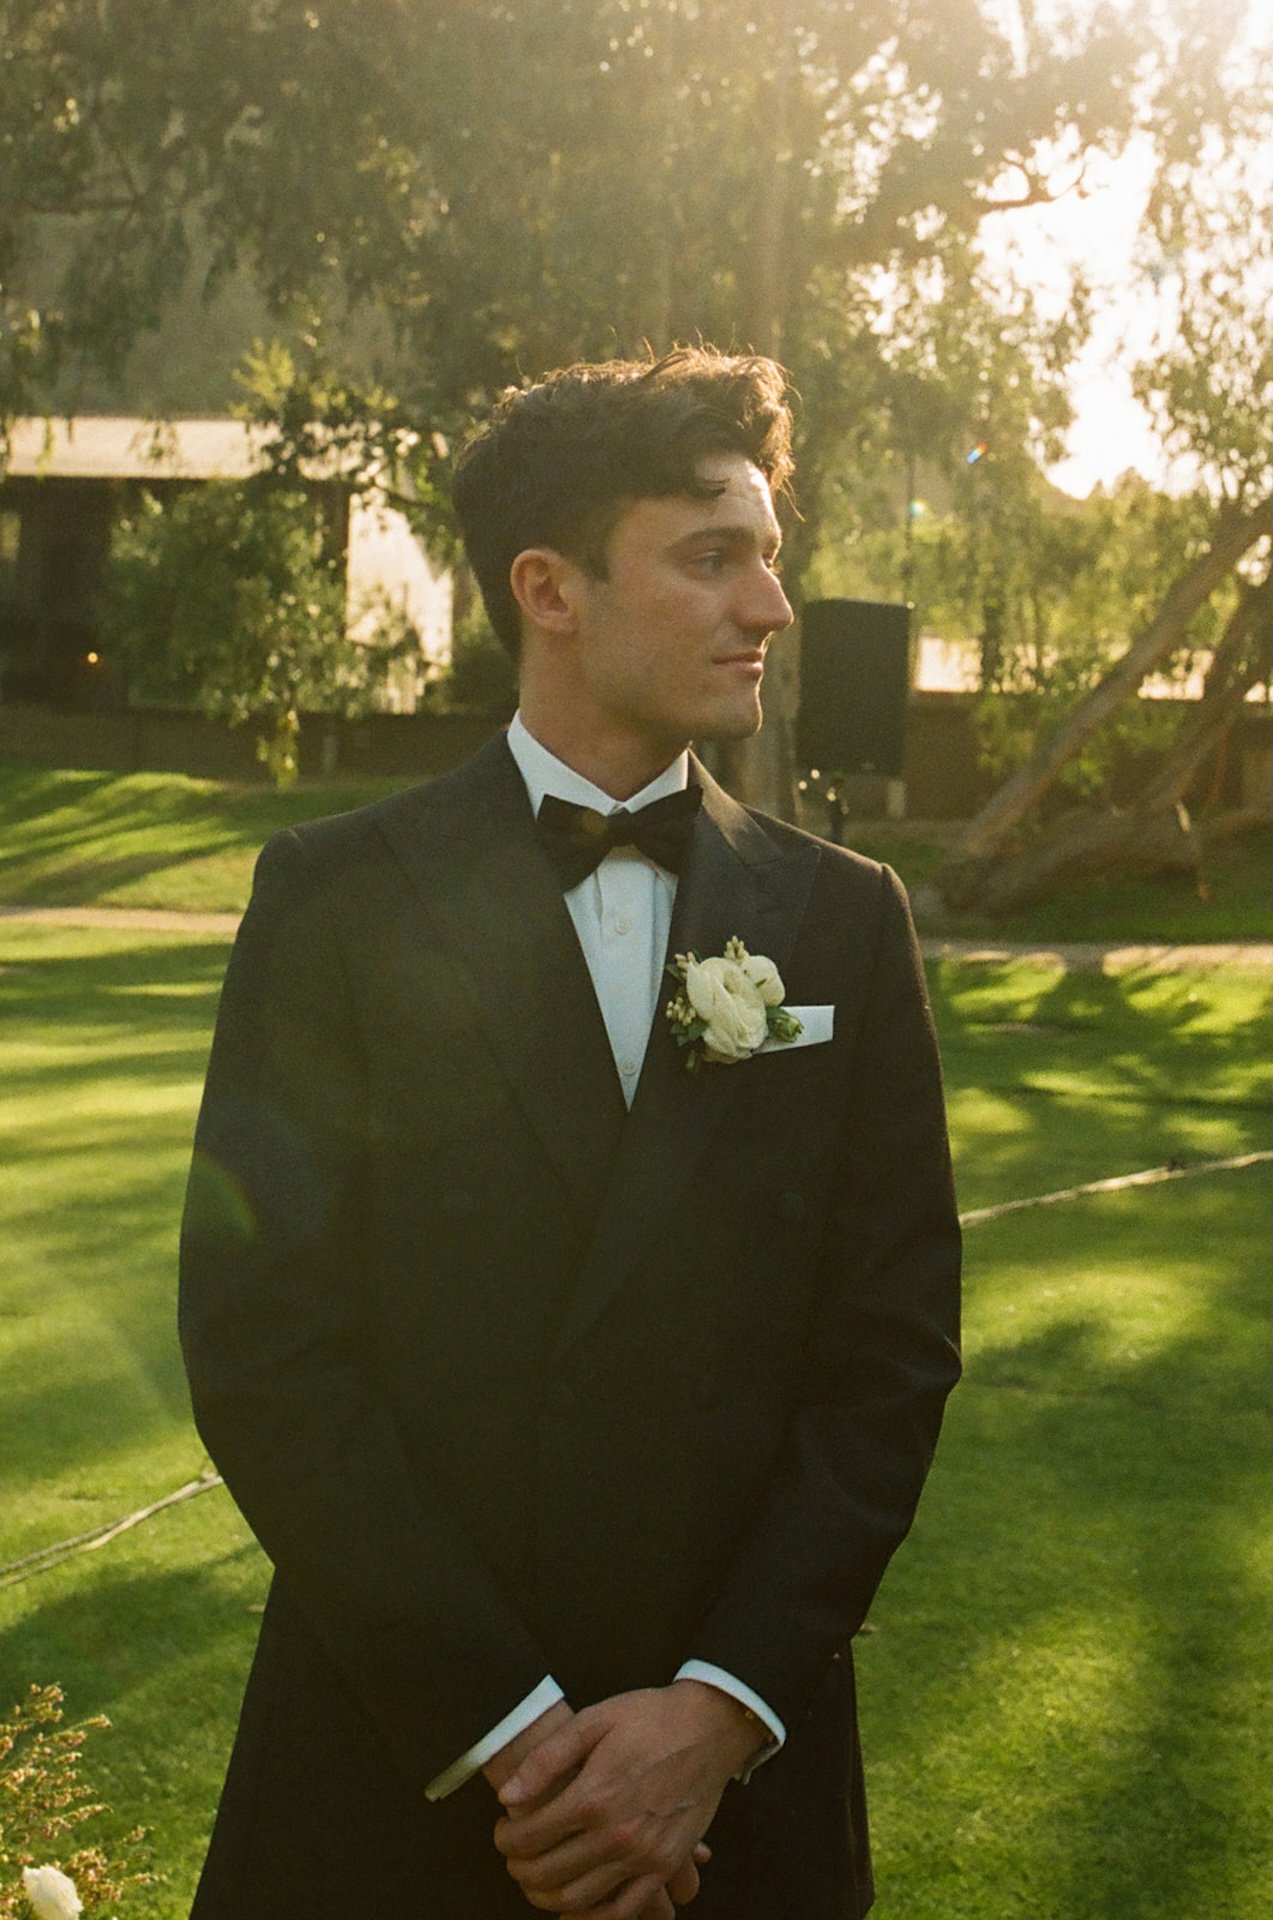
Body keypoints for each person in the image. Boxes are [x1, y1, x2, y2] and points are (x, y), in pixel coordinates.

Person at [179, 346, 961, 1920]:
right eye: (711, 558)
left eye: (770, 558)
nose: (772, 609)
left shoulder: (842, 922)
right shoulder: (333, 901)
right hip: (404, 1776)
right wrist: (515, 1740)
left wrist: (716, 1713)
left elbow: (888, 1357)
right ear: (549, 587)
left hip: (737, 1802)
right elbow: (264, 1348)